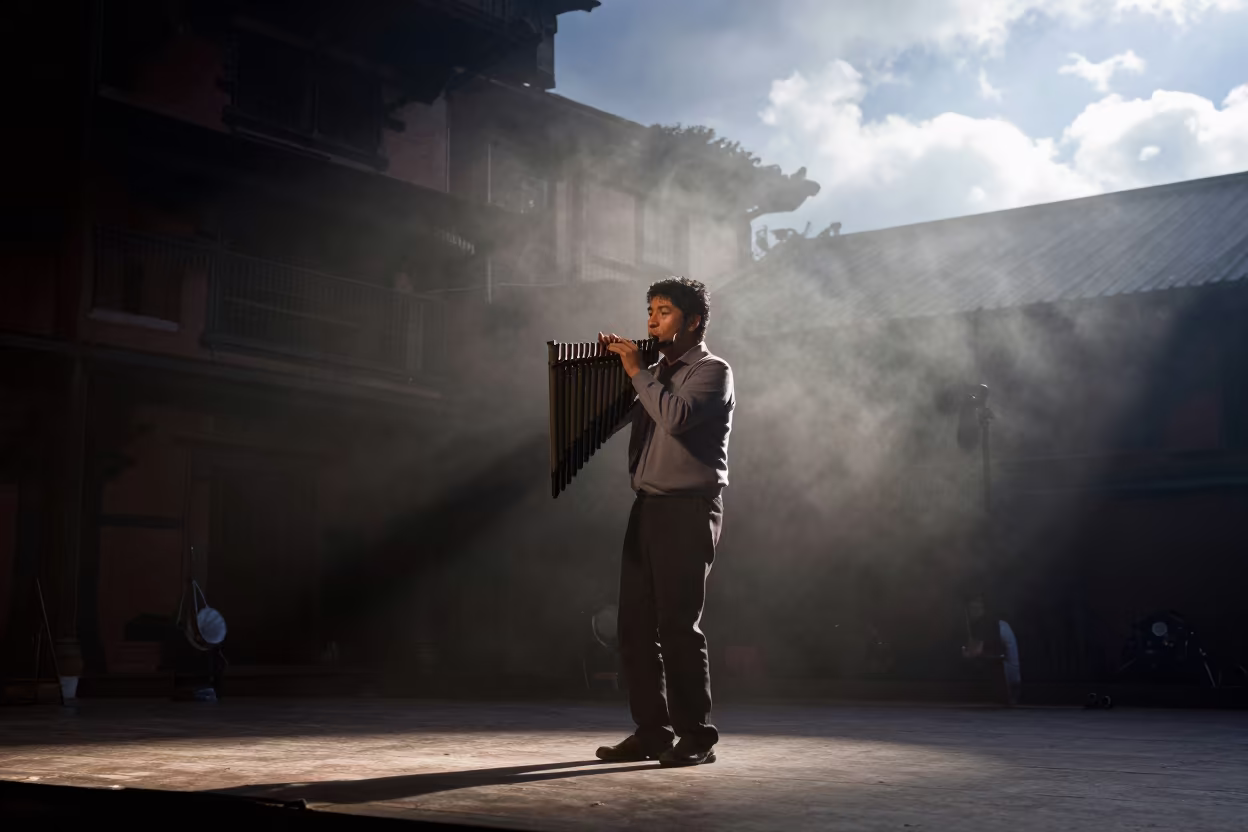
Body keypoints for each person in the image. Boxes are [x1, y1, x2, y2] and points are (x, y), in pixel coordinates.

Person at [594, 277, 734, 768]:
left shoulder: (712, 372)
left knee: (677, 625)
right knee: (633, 627)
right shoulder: (652, 375)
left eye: (665, 311)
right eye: (650, 310)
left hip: (689, 509)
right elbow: (606, 423)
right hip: (648, 508)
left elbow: (675, 419)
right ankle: (652, 731)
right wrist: (620, 374)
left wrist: (639, 373)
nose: (652, 320)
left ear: (693, 321)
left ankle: (697, 736)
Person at [962, 594, 1022, 706]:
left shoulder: (984, 623)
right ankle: (1010, 695)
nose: (973, 611)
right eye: (972, 609)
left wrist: (967, 653)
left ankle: (1011, 695)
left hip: (1003, 637)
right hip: (1001, 638)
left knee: (1011, 668)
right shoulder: (981, 623)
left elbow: (976, 651)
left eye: (976, 608)